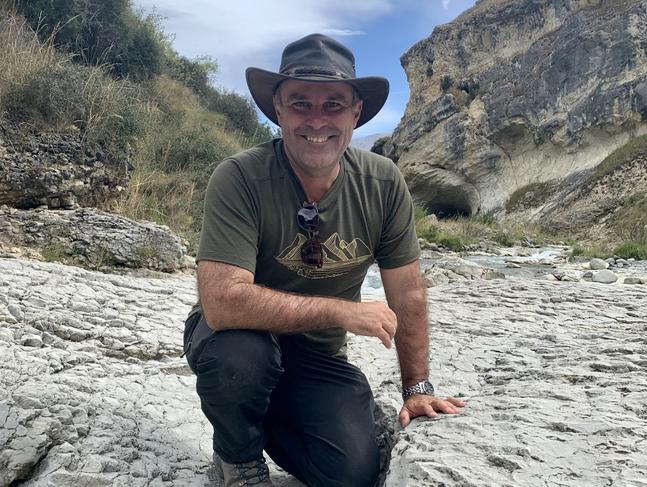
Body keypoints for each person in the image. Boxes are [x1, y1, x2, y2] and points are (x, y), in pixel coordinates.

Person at [182, 33, 465, 487]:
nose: (317, 120)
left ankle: (271, 414)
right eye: (300, 103)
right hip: (233, 338)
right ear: (278, 109)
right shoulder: (239, 177)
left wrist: (416, 389)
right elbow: (221, 302)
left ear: (356, 113)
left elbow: (407, 290)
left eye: (333, 104)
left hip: (315, 352)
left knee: (350, 474)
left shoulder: (383, 183)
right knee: (241, 360)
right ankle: (237, 459)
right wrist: (340, 310)